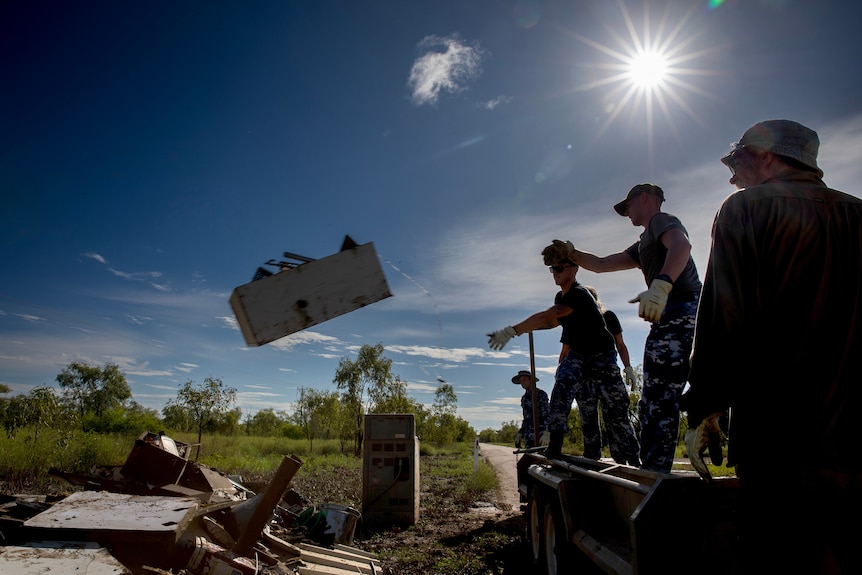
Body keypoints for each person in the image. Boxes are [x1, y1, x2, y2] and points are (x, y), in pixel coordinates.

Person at [682, 119, 862, 574]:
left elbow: (724, 314)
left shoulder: (746, 209)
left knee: (781, 553)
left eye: (737, 159)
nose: (731, 174)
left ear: (765, 155)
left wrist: (704, 406)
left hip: (779, 438)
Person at [569, 183, 702, 473]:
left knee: (658, 399)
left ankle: (654, 474)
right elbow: (603, 264)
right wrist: (572, 254)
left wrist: (663, 283)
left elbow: (682, 245)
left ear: (644, 198)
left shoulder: (660, 222)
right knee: (661, 396)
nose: (626, 213)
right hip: (671, 314)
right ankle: (659, 466)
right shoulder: (643, 244)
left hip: (681, 309)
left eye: (627, 206)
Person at [487, 240, 640, 464]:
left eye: (560, 268)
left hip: (602, 356)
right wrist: (531, 327)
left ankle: (632, 461)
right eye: (552, 269)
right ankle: (556, 443)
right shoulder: (561, 297)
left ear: (574, 268)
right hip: (579, 354)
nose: (555, 273)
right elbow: (553, 321)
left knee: (616, 411)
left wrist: (513, 330)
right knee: (563, 384)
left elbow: (549, 315)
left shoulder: (579, 294)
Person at [511, 370, 550, 449]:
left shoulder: (540, 394)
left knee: (542, 459)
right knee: (531, 460)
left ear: (531, 380)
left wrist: (547, 432)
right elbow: (526, 418)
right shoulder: (524, 398)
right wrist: (520, 433)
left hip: (540, 436)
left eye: (524, 379)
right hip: (528, 437)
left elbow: (546, 414)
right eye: (520, 381)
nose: (522, 382)